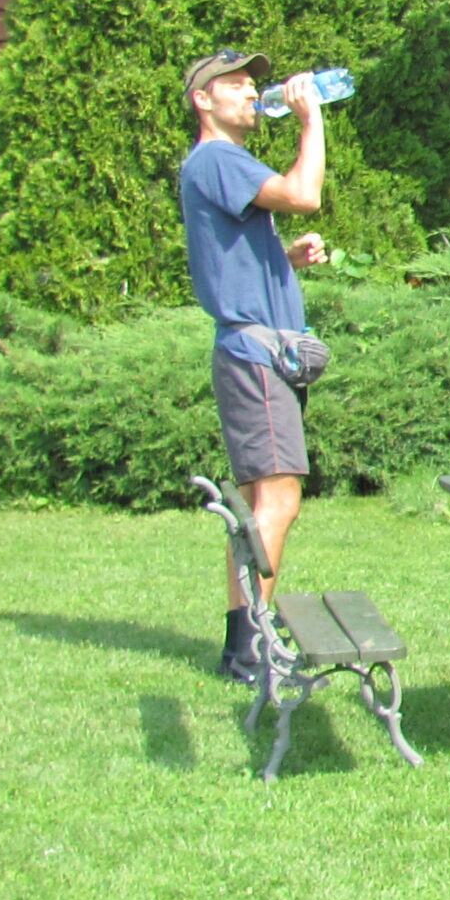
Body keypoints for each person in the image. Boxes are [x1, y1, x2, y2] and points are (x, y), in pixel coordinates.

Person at [180, 50, 329, 680]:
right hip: (254, 359)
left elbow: (226, 261)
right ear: (203, 100)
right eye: (235, 84)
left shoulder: (217, 166)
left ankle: (241, 643)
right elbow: (304, 194)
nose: (250, 92)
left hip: (250, 352)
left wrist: (283, 260)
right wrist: (311, 118)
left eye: (251, 83)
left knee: (255, 504)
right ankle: (252, 648)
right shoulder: (218, 158)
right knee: (278, 498)